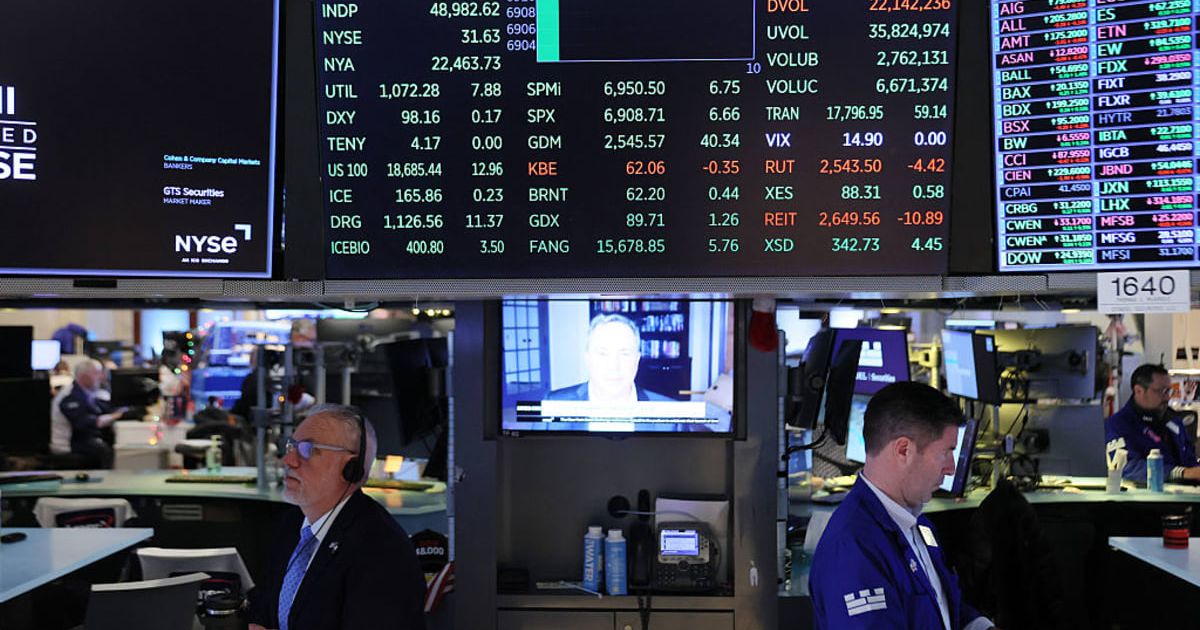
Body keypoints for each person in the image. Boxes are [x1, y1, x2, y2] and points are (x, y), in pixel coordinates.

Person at [810, 382, 993, 629]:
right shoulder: (854, 548)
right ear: (904, 450)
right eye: (945, 452)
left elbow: (945, 606)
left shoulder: (918, 524)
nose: (950, 468)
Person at [247, 404, 426, 630]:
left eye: (307, 450)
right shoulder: (292, 523)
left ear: (351, 467)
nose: (288, 461)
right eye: (291, 446)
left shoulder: (381, 549)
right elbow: (264, 604)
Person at [1105, 363, 1200, 483]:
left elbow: (1190, 460)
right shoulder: (1117, 425)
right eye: (1161, 391)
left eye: (1169, 391)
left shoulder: (1173, 421)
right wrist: (1181, 473)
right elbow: (1128, 468)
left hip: (1185, 496)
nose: (1167, 398)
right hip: (1145, 498)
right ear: (1139, 391)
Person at [546, 314, 672, 402]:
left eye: (625, 353)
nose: (614, 366)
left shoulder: (670, 413)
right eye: (602, 353)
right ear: (588, 359)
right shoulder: (553, 403)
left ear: (637, 360)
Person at [55, 359, 127, 469]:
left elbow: (102, 407)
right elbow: (85, 423)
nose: (102, 377)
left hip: (81, 437)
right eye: (97, 373)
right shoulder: (69, 396)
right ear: (84, 376)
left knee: (112, 439)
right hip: (69, 443)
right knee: (103, 449)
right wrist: (116, 416)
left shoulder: (85, 392)